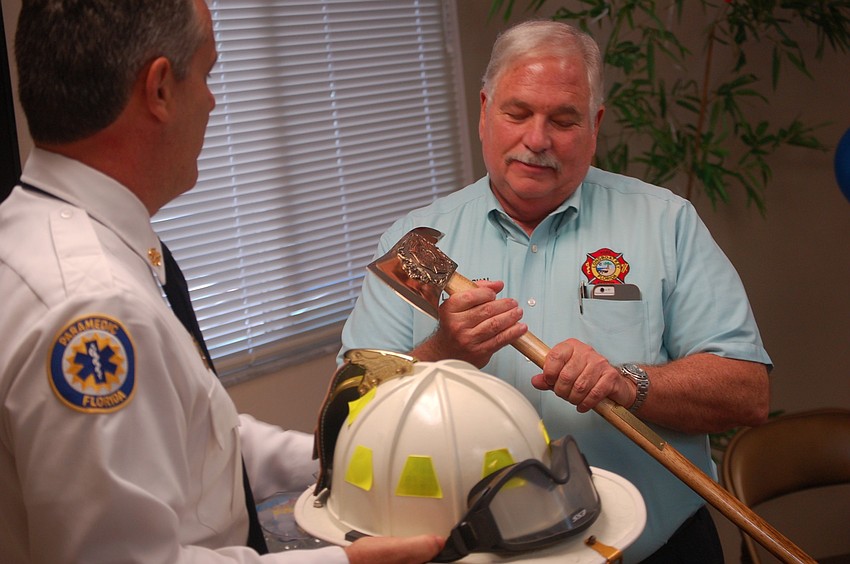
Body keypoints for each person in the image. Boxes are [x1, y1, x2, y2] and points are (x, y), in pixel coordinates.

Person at [0, 1, 443, 563]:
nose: (212, 100)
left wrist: (351, 450)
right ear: (159, 89)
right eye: (207, 74)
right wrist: (348, 561)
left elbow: (202, 438)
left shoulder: (39, 231)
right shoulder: (94, 305)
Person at [340, 19, 772, 563]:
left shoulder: (666, 222)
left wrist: (627, 382)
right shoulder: (414, 248)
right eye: (517, 113)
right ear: (483, 111)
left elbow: (747, 392)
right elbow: (352, 410)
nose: (536, 140)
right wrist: (442, 354)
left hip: (656, 550)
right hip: (475, 553)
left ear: (594, 124)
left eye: (563, 120)